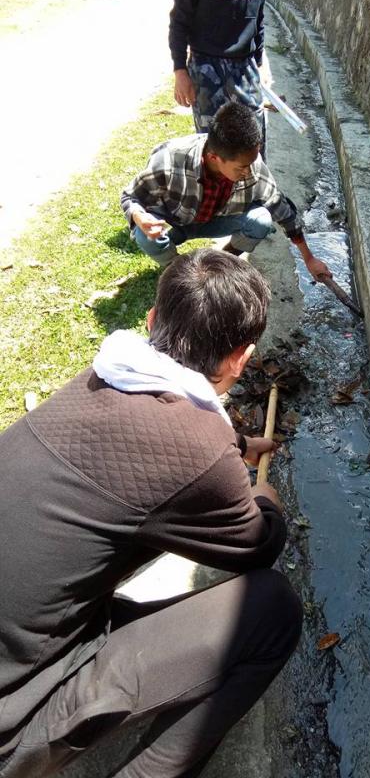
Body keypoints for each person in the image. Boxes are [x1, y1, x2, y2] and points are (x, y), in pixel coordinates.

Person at [0, 249, 303, 778]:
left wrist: (233, 444)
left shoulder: (96, 380)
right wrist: (265, 501)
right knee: (273, 610)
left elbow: (150, 446)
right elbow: (259, 545)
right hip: (12, 712)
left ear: (151, 321)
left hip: (22, 642)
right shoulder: (200, 449)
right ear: (242, 357)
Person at [121, 101, 332, 282]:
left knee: (261, 220)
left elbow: (281, 208)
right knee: (143, 235)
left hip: (217, 219)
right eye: (241, 167)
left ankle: (220, 263)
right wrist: (141, 217)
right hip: (175, 223)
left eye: (251, 163)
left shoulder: (251, 166)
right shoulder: (170, 160)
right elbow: (130, 197)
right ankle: (174, 268)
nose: (249, 172)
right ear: (214, 158)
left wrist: (309, 259)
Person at [169, 0, 268, 138]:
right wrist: (180, 71)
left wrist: (260, 64)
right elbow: (179, 21)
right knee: (211, 141)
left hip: (245, 69)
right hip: (207, 69)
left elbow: (259, 19)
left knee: (253, 140)